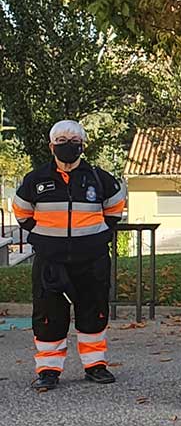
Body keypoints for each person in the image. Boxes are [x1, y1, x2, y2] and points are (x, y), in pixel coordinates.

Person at [12, 120, 126, 392]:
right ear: (51, 146)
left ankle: (95, 365)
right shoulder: (35, 179)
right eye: (61, 140)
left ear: (82, 145)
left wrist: (93, 238)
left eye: (74, 139)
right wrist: (47, 238)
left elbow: (114, 212)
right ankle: (48, 370)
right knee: (48, 316)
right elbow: (22, 214)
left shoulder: (100, 178)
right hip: (51, 262)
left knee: (94, 312)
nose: (68, 145)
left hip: (92, 261)